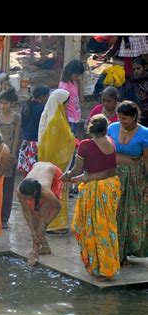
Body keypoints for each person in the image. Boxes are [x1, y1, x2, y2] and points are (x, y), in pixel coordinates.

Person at [61, 115, 121, 280]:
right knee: (108, 227)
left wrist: (66, 175)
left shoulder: (86, 145)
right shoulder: (110, 141)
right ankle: (109, 265)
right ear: (106, 128)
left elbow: (76, 170)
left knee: (95, 229)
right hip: (110, 186)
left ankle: (102, 268)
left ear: (90, 128)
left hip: (95, 190)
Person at [107, 101, 148, 264]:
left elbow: (146, 161)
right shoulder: (112, 128)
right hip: (113, 177)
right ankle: (114, 249)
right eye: (119, 117)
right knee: (114, 213)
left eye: (125, 118)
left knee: (130, 216)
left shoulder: (144, 133)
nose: (121, 121)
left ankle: (126, 250)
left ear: (134, 117)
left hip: (134, 180)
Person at [38, 89, 75, 233]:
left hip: (47, 161)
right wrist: (72, 139)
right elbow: (61, 142)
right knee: (57, 192)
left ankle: (48, 222)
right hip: (57, 162)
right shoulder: (57, 120)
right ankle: (55, 225)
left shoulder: (48, 114)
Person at [17, 162, 63, 266]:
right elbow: (26, 210)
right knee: (33, 215)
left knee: (42, 214)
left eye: (28, 198)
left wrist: (45, 224)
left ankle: (36, 252)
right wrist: (32, 230)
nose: (26, 200)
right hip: (38, 167)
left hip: (54, 173)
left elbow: (58, 207)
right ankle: (45, 246)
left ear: (34, 194)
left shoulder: (45, 191)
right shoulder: (20, 191)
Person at [0, 87, 21, 228]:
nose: (3, 106)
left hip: (9, 156)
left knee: (7, 188)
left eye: (6, 103)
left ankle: (4, 218)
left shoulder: (16, 117)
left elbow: (16, 137)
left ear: (12, 103)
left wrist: (13, 155)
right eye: (1, 103)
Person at [17, 85, 50, 176]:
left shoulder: (26, 106)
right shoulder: (42, 109)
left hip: (26, 140)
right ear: (42, 96)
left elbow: (23, 124)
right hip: (36, 141)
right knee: (36, 170)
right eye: (47, 96)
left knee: (27, 168)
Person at [59, 59, 85, 136]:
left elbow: (81, 99)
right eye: (76, 76)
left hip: (75, 117)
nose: (78, 77)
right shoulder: (65, 86)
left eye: (80, 76)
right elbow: (63, 106)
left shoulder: (74, 82)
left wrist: (80, 83)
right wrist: (66, 121)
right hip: (69, 119)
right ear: (70, 72)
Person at [121, 57, 148, 127]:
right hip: (135, 115)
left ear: (145, 67)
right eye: (134, 69)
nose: (135, 71)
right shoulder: (131, 82)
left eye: (138, 68)